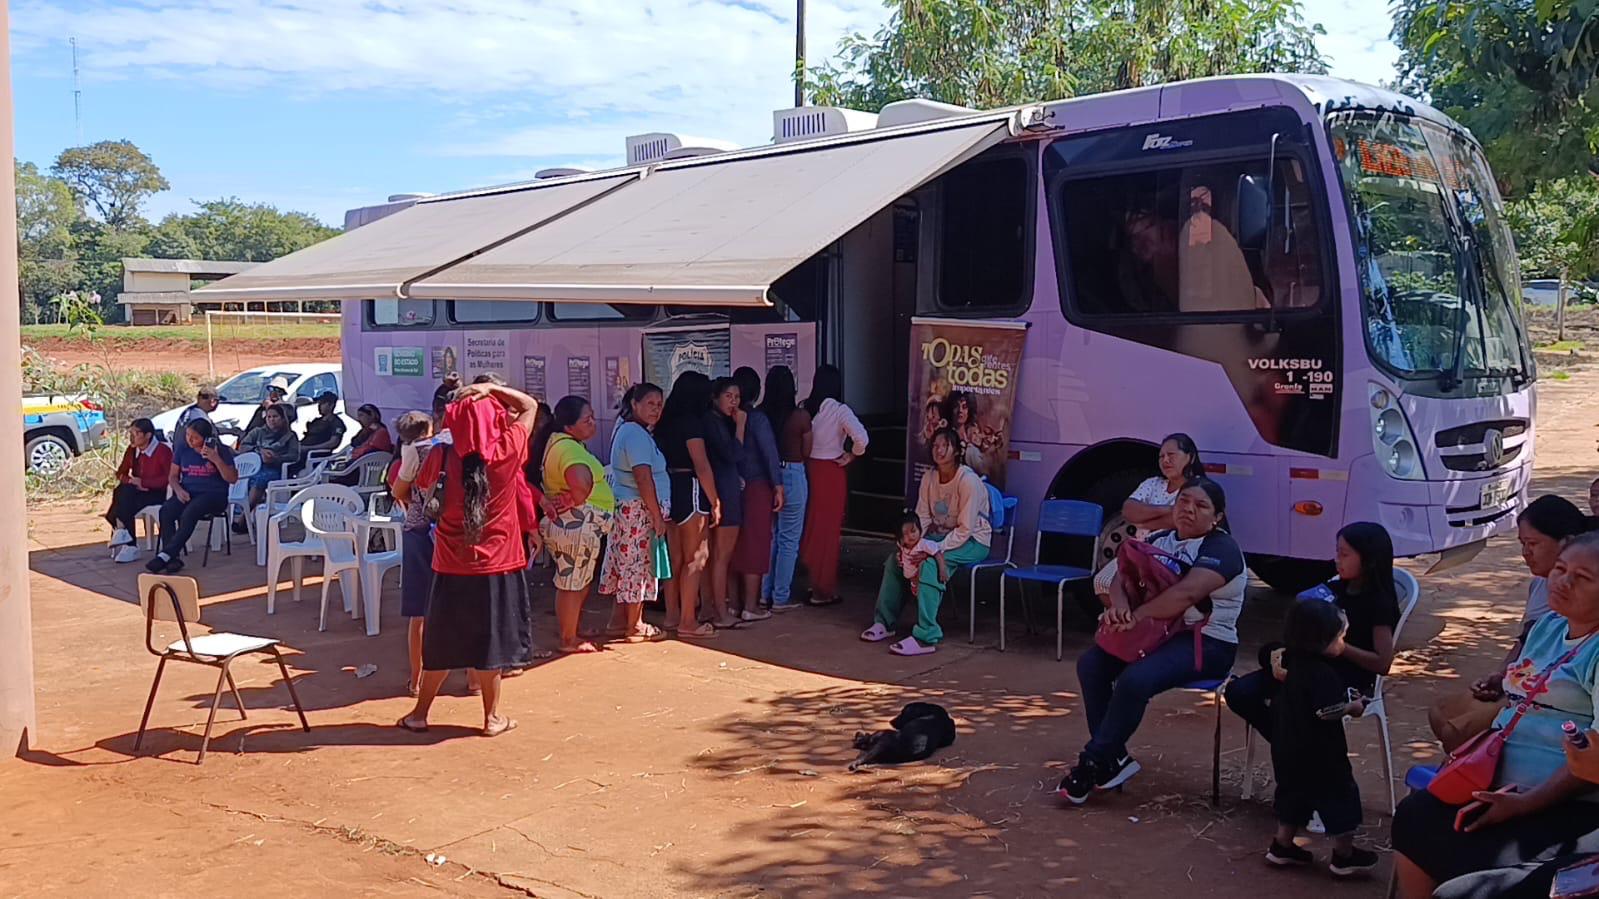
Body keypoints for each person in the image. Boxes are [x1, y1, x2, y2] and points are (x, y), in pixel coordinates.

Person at [1393, 532, 1599, 899]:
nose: (1563, 582)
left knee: (1471, 879)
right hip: (1496, 784)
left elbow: (1592, 761)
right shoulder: (1549, 627)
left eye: (1582, 578)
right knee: (1415, 816)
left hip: (1566, 806)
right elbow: (1522, 684)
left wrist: (1522, 805)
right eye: (1561, 569)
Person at [1059, 477, 1245, 803]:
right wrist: (1118, 607)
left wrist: (1135, 616)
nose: (1188, 509)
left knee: (1135, 680)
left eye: (1200, 506)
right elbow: (1118, 575)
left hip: (1206, 642)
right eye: (1184, 501)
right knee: (1092, 664)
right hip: (1157, 634)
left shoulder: (1222, 549)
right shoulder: (1161, 538)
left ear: (1217, 517)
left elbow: (1185, 594)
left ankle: (1092, 761)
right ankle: (1113, 758)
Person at [399, 380, 539, 737]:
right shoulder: (506, 451)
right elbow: (529, 406)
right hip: (499, 563)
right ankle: (492, 718)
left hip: (449, 564)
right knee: (489, 646)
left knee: (441, 644)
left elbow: (413, 485)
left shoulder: (439, 456)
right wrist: (491, 389)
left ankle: (419, 714)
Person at [1429, 495, 1590, 753]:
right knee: (1444, 716)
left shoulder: (1582, 631)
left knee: (1460, 731)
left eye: (1533, 543)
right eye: (1522, 544)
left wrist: (1515, 689)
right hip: (1527, 693)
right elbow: (1530, 644)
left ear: (1567, 544)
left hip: (1540, 710)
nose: (1525, 553)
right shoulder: (1545, 613)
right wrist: (1505, 675)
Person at [1224, 521, 1399, 742]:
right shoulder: (1336, 588)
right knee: (1240, 691)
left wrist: (1340, 648)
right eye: (1337, 552)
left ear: (1369, 561)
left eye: (1344, 554)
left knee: (1292, 707)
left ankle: (1293, 744)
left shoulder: (1378, 604)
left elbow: (1382, 663)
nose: (1337, 560)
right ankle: (1288, 742)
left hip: (1343, 678)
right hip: (1308, 667)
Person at [1263, 598, 1381, 877]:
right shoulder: (1323, 674)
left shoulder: (1294, 664)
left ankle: (1282, 845)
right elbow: (1325, 711)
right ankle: (1344, 854)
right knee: (1340, 796)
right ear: (1321, 641)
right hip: (1320, 753)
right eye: (1340, 637)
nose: (1343, 642)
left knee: (1292, 794)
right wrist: (1352, 708)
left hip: (1287, 746)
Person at [861, 428, 991, 655]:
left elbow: (965, 529)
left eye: (945, 445)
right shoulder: (929, 478)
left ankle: (926, 636)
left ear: (956, 450)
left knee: (929, 565)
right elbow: (921, 517)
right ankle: (885, 622)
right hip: (940, 538)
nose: (939, 450)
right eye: (935, 445)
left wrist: (932, 551)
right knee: (896, 560)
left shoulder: (967, 481)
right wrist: (910, 545)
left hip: (972, 541)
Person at [536, 395, 616, 654]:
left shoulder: (564, 443)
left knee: (575, 581)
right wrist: (575, 497)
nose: (593, 423)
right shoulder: (568, 449)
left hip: (577, 526)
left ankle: (572, 629)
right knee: (572, 583)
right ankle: (568, 639)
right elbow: (580, 482)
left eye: (593, 416)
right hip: (577, 527)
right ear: (569, 426)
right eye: (587, 419)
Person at [598, 382, 670, 642]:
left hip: (630, 509)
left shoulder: (631, 431)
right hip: (637, 511)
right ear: (634, 404)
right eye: (650, 403)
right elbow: (643, 477)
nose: (656, 410)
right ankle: (635, 625)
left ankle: (618, 621)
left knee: (625, 564)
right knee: (636, 566)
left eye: (659, 405)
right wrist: (657, 516)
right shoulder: (635, 434)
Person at [1095, 433, 1205, 597]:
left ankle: (1138, 618)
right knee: (1102, 583)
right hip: (1139, 550)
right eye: (1161, 456)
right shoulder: (1152, 483)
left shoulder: (1198, 488)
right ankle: (1132, 619)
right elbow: (1128, 510)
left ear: (1190, 457)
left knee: (1146, 591)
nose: (1165, 460)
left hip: (1172, 555)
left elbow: (1180, 523)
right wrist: (1169, 510)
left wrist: (1144, 520)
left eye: (1171, 455)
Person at [655, 372, 721, 639]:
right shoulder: (691, 422)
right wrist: (714, 501)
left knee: (675, 558)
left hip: (669, 486)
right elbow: (701, 464)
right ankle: (688, 621)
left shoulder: (664, 421)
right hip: (690, 487)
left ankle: (672, 615)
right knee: (697, 556)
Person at [799, 364, 868, 606]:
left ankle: (812, 580)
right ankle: (823, 589)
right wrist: (851, 455)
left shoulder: (806, 407)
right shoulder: (840, 410)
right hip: (831, 471)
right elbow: (862, 439)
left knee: (812, 526)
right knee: (828, 531)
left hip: (809, 469)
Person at [146, 418, 238, 575]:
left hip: (213, 495)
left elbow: (232, 478)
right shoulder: (183, 449)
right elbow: (173, 476)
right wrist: (178, 489)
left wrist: (216, 459)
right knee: (166, 511)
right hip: (188, 492)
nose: (190, 439)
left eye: (194, 437)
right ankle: (172, 559)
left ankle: (166, 554)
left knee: (191, 511)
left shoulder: (220, 451)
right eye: (188, 435)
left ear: (206, 438)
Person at [729, 367, 784, 621]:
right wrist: (778, 485)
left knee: (732, 546)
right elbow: (769, 453)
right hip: (757, 486)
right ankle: (751, 606)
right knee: (756, 544)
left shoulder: (723, 417)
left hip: (731, 487)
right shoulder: (757, 419)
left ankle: (733, 603)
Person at [760, 365, 810, 611]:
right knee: (789, 540)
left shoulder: (761, 414)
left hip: (767, 476)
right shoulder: (800, 416)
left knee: (769, 537)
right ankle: (780, 597)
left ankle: (762, 592)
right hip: (793, 472)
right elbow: (806, 451)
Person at [702, 376, 747, 628]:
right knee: (721, 556)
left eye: (737, 397)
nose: (734, 402)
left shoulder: (717, 422)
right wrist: (740, 425)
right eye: (729, 396)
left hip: (724, 488)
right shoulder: (715, 423)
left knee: (715, 556)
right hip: (725, 492)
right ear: (716, 397)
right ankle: (720, 612)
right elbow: (734, 454)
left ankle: (710, 607)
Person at [105, 418, 173, 563]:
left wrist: (145, 483)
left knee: (123, 500)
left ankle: (125, 536)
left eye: (136, 433)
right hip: (135, 491)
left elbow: (170, 478)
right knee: (124, 491)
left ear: (148, 435)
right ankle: (127, 539)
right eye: (131, 433)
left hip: (157, 492)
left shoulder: (162, 451)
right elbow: (120, 473)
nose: (132, 437)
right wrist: (131, 481)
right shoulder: (132, 450)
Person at [234, 404, 300, 531]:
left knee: (260, 480)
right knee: (243, 480)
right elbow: (243, 447)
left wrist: (276, 458)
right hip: (254, 467)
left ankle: (243, 519)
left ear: (282, 418)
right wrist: (259, 451)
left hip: (275, 469)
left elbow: (294, 455)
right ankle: (244, 515)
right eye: (269, 417)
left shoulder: (290, 436)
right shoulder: (258, 432)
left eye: (275, 416)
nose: (271, 420)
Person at [895, 512, 946, 582]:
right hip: (911, 579)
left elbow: (937, 553)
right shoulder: (902, 544)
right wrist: (899, 556)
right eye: (906, 534)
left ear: (920, 530)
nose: (910, 536)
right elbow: (899, 547)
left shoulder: (923, 544)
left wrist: (942, 570)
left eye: (913, 531)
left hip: (922, 578)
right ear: (901, 537)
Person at [297, 391, 348, 462]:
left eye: (323, 404)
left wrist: (309, 448)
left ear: (331, 405)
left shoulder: (336, 423)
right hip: (301, 450)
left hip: (314, 455)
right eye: (319, 403)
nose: (319, 406)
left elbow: (333, 443)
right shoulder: (317, 421)